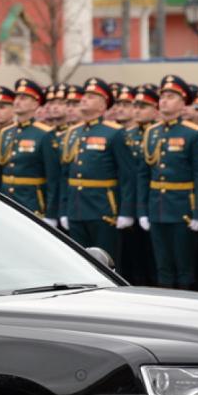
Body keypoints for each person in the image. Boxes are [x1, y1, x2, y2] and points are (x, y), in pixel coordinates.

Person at [137, 75, 198, 290]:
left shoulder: (193, 133)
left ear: (182, 102)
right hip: (157, 207)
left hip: (182, 208)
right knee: (163, 266)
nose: (164, 101)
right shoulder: (151, 132)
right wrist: (142, 210)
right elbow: (143, 174)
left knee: (184, 266)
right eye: (162, 96)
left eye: (170, 97)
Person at [59, 78, 135, 263]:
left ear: (103, 105)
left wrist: (125, 211)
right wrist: (63, 209)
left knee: (106, 263)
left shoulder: (114, 133)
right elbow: (64, 175)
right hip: (76, 209)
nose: (84, 99)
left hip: (103, 210)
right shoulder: (73, 133)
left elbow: (127, 176)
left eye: (91, 96)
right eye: (85, 95)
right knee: (80, 263)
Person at [0, 79, 60, 225]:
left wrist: (51, 213)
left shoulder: (44, 134)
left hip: (31, 203)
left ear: (35, 104)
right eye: (16, 97)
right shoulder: (5, 133)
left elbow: (52, 178)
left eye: (23, 98)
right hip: (6, 202)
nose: (17, 102)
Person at [121, 85, 159, 286]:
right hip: (129, 202)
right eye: (135, 106)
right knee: (135, 255)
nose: (136, 110)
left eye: (143, 106)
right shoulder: (127, 134)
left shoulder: (158, 133)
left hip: (154, 203)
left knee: (154, 257)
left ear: (155, 109)